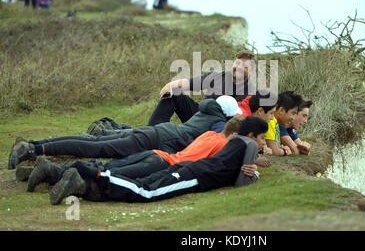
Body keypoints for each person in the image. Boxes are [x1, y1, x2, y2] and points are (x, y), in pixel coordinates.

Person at [48, 116, 268, 205]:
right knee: (142, 190)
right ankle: (89, 173)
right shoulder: (238, 145)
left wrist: (253, 168)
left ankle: (75, 183)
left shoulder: (211, 135)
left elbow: (226, 163)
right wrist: (254, 168)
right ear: (248, 136)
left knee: (104, 155)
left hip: (162, 155)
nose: (262, 144)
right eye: (261, 140)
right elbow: (238, 173)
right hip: (171, 166)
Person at [8, 96, 239, 169]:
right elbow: (227, 141)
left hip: (156, 131)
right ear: (227, 115)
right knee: (96, 147)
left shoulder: (206, 110)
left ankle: (33, 145)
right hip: (156, 138)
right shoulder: (219, 123)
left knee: (93, 141)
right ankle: (33, 149)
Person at [24, 116, 244, 192]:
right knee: (106, 168)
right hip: (160, 162)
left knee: (104, 161)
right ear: (235, 135)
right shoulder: (223, 145)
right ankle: (48, 165)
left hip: (155, 149)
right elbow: (220, 166)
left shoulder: (209, 134)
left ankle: (48, 168)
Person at [148, 50, 259, 126]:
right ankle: (152, 132)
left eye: (245, 66)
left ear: (251, 70)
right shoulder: (217, 76)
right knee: (175, 92)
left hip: (219, 127)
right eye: (237, 63)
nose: (239, 67)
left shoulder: (252, 92)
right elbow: (189, 82)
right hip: (198, 116)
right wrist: (170, 85)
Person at [264, 91, 302, 156]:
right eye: (293, 113)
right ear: (281, 110)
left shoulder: (276, 122)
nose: (293, 118)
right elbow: (275, 151)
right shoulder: (271, 121)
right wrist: (285, 151)